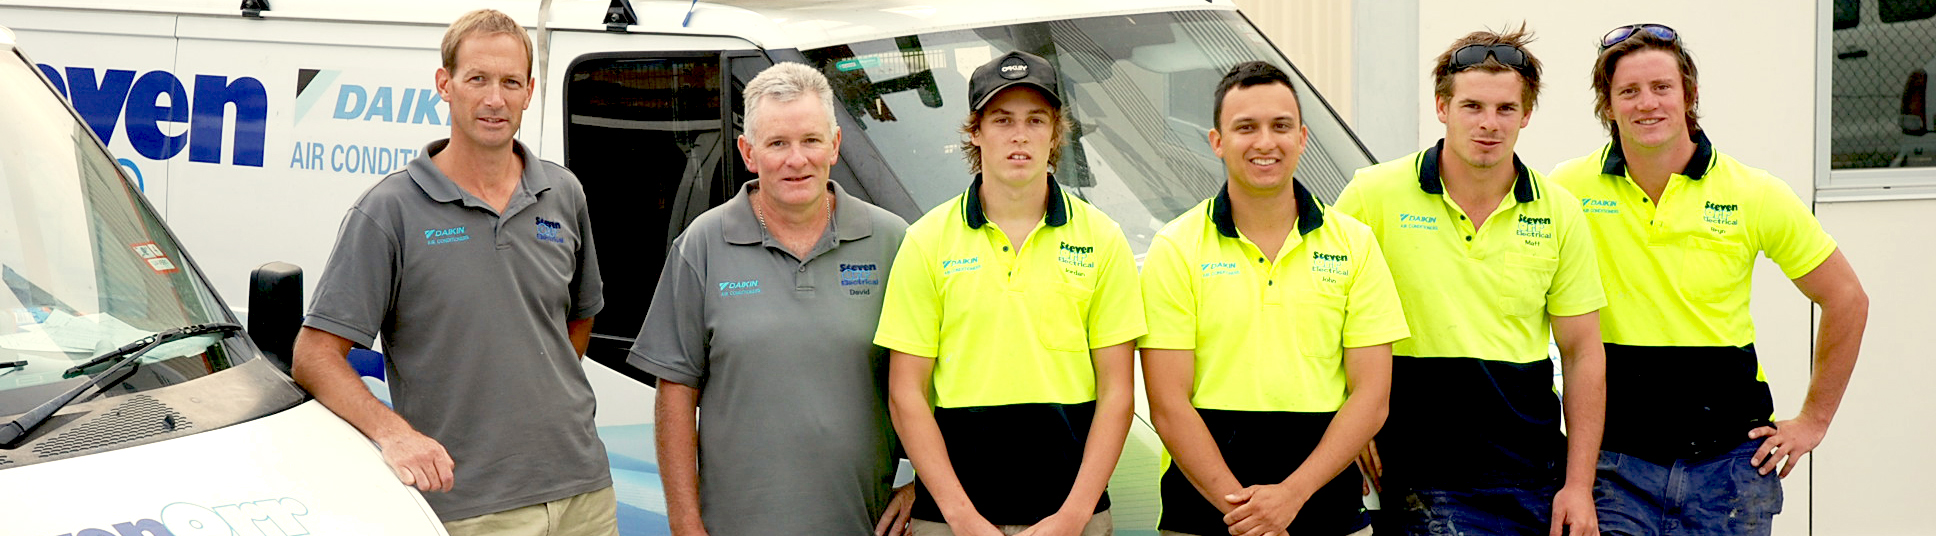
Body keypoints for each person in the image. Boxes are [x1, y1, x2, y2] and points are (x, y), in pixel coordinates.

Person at [290, 9, 616, 536]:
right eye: (477, 79)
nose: (495, 99)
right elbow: (314, 356)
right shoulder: (389, 210)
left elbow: (576, 322)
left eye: (511, 82)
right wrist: (394, 434)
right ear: (445, 84)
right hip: (468, 504)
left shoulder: (563, 193)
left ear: (530, 92)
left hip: (585, 491)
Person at [1547, 23, 1869, 536]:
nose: (1647, 103)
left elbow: (1846, 298)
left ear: (1690, 94)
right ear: (1607, 105)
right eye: (1628, 91)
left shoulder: (1754, 192)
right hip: (1614, 466)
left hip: (1731, 469)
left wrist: (1814, 421)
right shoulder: (1566, 189)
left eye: (1661, 87)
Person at [1334, 27, 1605, 536]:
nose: (1489, 124)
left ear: (1526, 115)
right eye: (1472, 106)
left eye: (1506, 109)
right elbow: (1322, 314)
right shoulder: (1374, 195)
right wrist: (1349, 416)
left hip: (1530, 477)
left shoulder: (1560, 211)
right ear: (1442, 107)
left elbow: (1582, 352)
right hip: (1412, 475)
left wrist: (1578, 485)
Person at [628, 61, 916, 536]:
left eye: (810, 140)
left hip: (864, 525)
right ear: (748, 152)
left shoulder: (893, 241)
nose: (796, 160)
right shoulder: (702, 244)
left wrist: (922, 489)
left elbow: (941, 379)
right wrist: (684, 522)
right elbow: (676, 392)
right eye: (778, 143)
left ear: (835, 145)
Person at [875, 50, 1144, 536]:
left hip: (1072, 519)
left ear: (1055, 133)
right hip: (952, 522)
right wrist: (961, 518)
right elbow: (905, 394)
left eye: (1035, 120)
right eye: (1002, 120)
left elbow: (1118, 394)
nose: (1020, 135)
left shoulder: (1103, 240)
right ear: (975, 132)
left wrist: (1073, 515)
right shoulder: (927, 241)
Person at [1140, 60, 1408, 536]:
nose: (1265, 142)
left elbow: (1371, 398)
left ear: (1302, 139)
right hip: (1204, 519)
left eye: (1281, 126)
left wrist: (1290, 497)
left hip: (1330, 517)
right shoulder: (1176, 247)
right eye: (1246, 127)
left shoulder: (1355, 244)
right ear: (1217, 141)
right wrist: (1250, 516)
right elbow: (1168, 404)